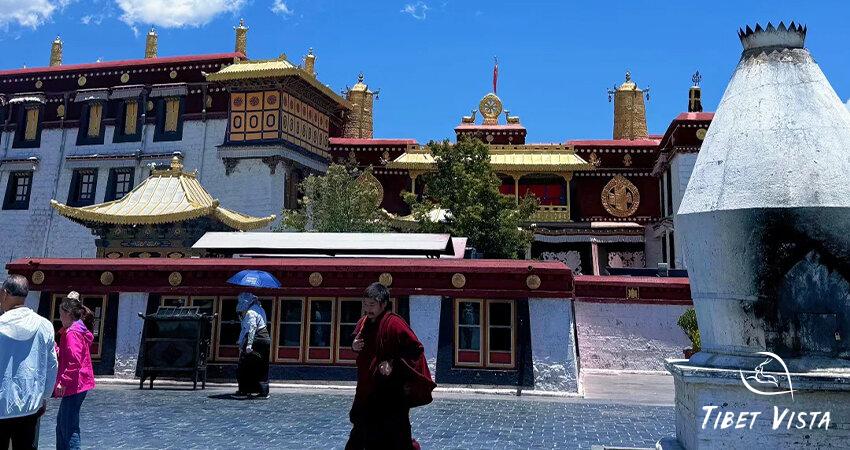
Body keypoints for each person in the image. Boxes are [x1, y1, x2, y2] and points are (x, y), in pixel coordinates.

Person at [345, 283, 436, 450]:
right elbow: (356, 343)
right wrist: (354, 346)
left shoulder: (394, 323)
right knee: (360, 435)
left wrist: (392, 363)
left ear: (383, 304)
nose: (367, 309)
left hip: (391, 393)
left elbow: (415, 350)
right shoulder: (363, 323)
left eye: (372, 305)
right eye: (365, 304)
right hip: (367, 391)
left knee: (396, 438)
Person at [0, 275, 58, 450]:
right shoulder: (45, 325)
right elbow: (51, 366)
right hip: (30, 405)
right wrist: (44, 396)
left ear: (4, 293)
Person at [53, 292, 96, 450]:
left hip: (75, 384)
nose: (60, 318)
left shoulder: (72, 333)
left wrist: (63, 381)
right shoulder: (77, 329)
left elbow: (74, 361)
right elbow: (72, 354)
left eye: (60, 314)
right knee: (62, 424)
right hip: (79, 383)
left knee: (68, 427)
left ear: (68, 314)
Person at [235, 292, 270, 399]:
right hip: (264, 339)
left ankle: (245, 389)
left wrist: (248, 345)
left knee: (245, 364)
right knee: (261, 366)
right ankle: (262, 390)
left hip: (256, 339)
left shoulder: (250, 312)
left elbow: (251, 329)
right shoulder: (260, 309)